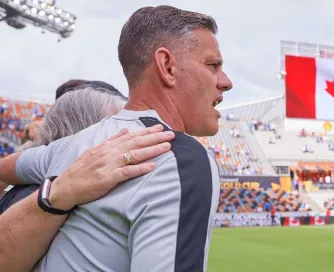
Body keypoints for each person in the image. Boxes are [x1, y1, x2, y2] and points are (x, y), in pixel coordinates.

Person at [2, 5, 232, 272]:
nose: (226, 81)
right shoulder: (178, 158)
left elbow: (5, 167)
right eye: (212, 65)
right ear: (167, 66)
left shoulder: (77, 145)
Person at [0, 87, 175, 271]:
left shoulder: (47, 181)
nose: (124, 145)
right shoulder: (36, 201)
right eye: (115, 134)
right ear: (83, 134)